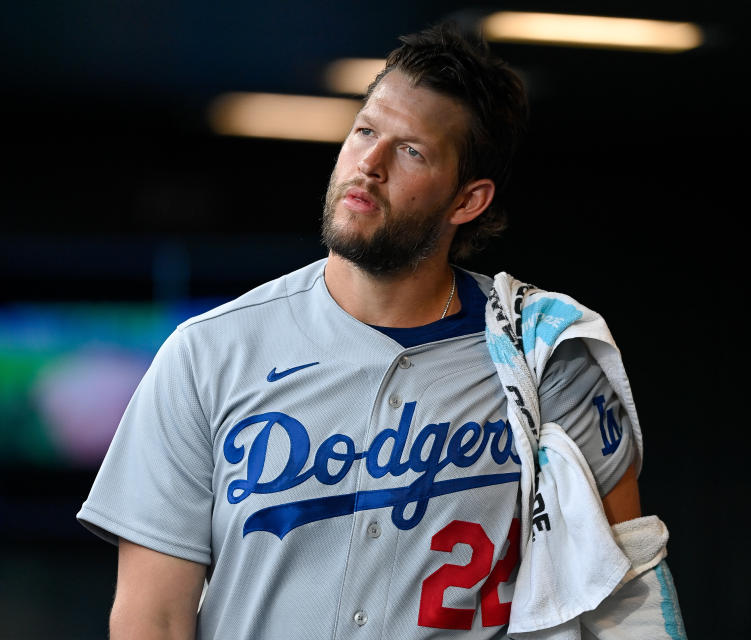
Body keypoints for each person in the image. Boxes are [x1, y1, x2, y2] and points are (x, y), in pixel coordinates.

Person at [78, 23, 683, 640]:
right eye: (365, 130)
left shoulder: (544, 357)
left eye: (411, 151)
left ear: (467, 200)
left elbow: (623, 596)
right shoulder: (208, 353)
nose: (369, 164)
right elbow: (153, 616)